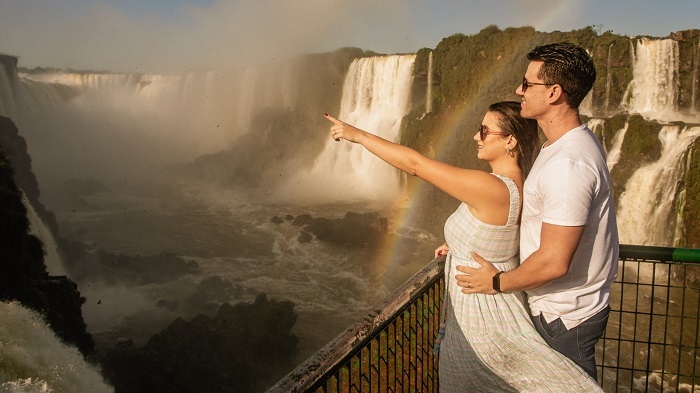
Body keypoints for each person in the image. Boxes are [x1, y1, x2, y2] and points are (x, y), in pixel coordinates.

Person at [325, 101, 602, 392]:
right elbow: (498, 237)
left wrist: (358, 135)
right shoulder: (523, 185)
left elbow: (416, 165)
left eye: (485, 131)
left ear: (510, 140)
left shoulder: (493, 188)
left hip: (481, 318)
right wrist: (457, 244)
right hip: (494, 306)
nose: (476, 137)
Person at [457, 41, 619, 382]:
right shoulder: (562, 145)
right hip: (561, 310)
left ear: (554, 92)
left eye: (528, 84)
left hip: (564, 318)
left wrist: (497, 282)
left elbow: (554, 260)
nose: (519, 90)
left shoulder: (568, 163)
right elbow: (538, 221)